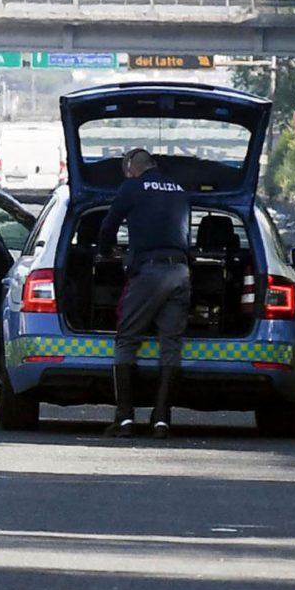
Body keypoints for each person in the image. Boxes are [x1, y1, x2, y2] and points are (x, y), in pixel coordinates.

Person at [102, 147, 193, 436]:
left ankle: (125, 418)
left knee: (127, 340)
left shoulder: (131, 187)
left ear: (131, 168)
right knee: (171, 344)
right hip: (180, 272)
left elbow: (109, 226)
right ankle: (162, 419)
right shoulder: (179, 189)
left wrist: (105, 251)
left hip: (149, 272)